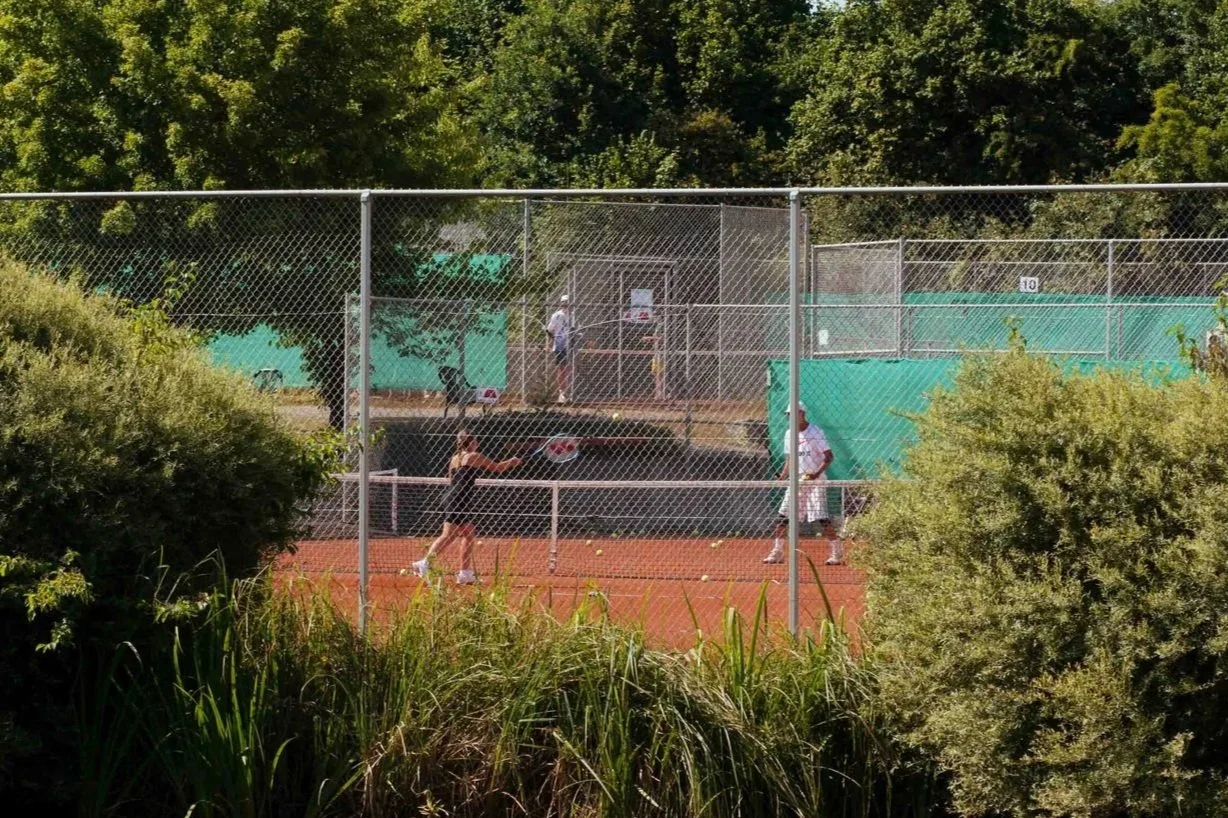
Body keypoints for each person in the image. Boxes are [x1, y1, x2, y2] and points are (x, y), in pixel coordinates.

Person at [412, 430, 522, 584]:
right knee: (448, 535)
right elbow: (497, 468)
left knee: (468, 534)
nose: (477, 443)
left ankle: (464, 573)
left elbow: (451, 479)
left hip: (452, 497)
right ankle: (425, 563)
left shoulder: (455, 459)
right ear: (470, 443)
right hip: (459, 500)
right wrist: (512, 461)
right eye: (475, 441)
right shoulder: (474, 456)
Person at [762, 402, 842, 565]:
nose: (789, 417)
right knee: (782, 516)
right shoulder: (789, 434)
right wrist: (783, 476)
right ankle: (777, 552)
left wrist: (816, 474)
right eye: (788, 415)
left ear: (802, 414)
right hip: (797, 481)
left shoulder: (815, 432)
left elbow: (829, 457)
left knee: (822, 518)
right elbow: (789, 459)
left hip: (816, 481)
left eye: (792, 414)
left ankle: (837, 552)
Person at [545, 294, 574, 404]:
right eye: (563, 303)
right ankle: (562, 393)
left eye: (567, 303)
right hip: (560, 345)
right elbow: (550, 331)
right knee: (562, 369)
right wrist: (548, 344)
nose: (565, 305)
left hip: (570, 345)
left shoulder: (572, 316)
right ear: (561, 304)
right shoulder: (556, 316)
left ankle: (569, 392)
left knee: (569, 369)